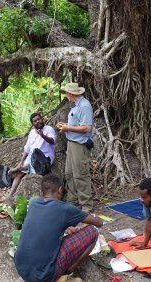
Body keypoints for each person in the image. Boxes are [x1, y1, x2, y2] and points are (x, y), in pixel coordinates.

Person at [14, 174, 103, 282]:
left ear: (42, 193)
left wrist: (66, 228)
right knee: (93, 231)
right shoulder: (64, 208)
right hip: (44, 276)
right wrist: (96, 218)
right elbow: (98, 223)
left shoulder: (33, 203)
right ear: (60, 190)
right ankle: (67, 271)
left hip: (21, 269)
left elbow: (46, 224)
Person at [56, 82, 93, 212]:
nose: (66, 95)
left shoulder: (84, 106)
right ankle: (73, 200)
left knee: (80, 174)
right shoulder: (75, 106)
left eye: (67, 93)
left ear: (72, 94)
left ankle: (86, 204)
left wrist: (68, 128)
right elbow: (77, 124)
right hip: (71, 143)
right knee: (69, 173)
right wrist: (65, 125)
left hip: (80, 144)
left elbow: (87, 128)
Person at [6, 112, 56, 201]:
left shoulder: (49, 129)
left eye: (39, 119)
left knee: (29, 163)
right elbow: (27, 149)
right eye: (35, 121)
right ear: (33, 124)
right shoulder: (32, 133)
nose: (38, 121)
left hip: (44, 158)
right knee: (18, 174)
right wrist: (21, 161)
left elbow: (52, 141)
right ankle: (10, 196)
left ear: (42, 119)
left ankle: (17, 168)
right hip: (31, 158)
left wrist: (42, 135)